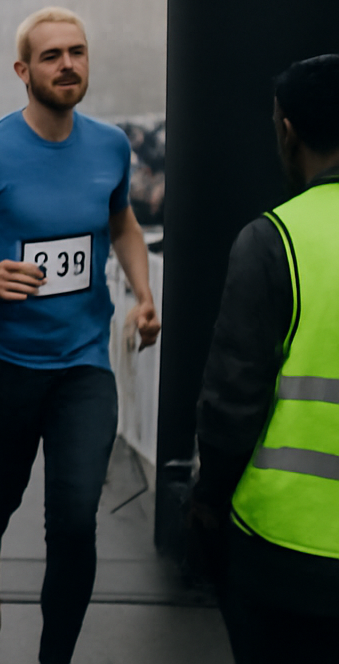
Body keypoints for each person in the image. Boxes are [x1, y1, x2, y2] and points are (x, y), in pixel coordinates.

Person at [0, 7, 158, 664]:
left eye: (77, 52)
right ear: (23, 70)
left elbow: (124, 225)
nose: (68, 66)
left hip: (82, 365)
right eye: (52, 56)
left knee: (76, 522)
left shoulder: (110, 145)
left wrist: (142, 295)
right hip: (0, 362)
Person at [190, 53, 339, 663]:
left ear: (287, 130)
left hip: (287, 548)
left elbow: (233, 398)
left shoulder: (276, 238)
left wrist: (205, 500)